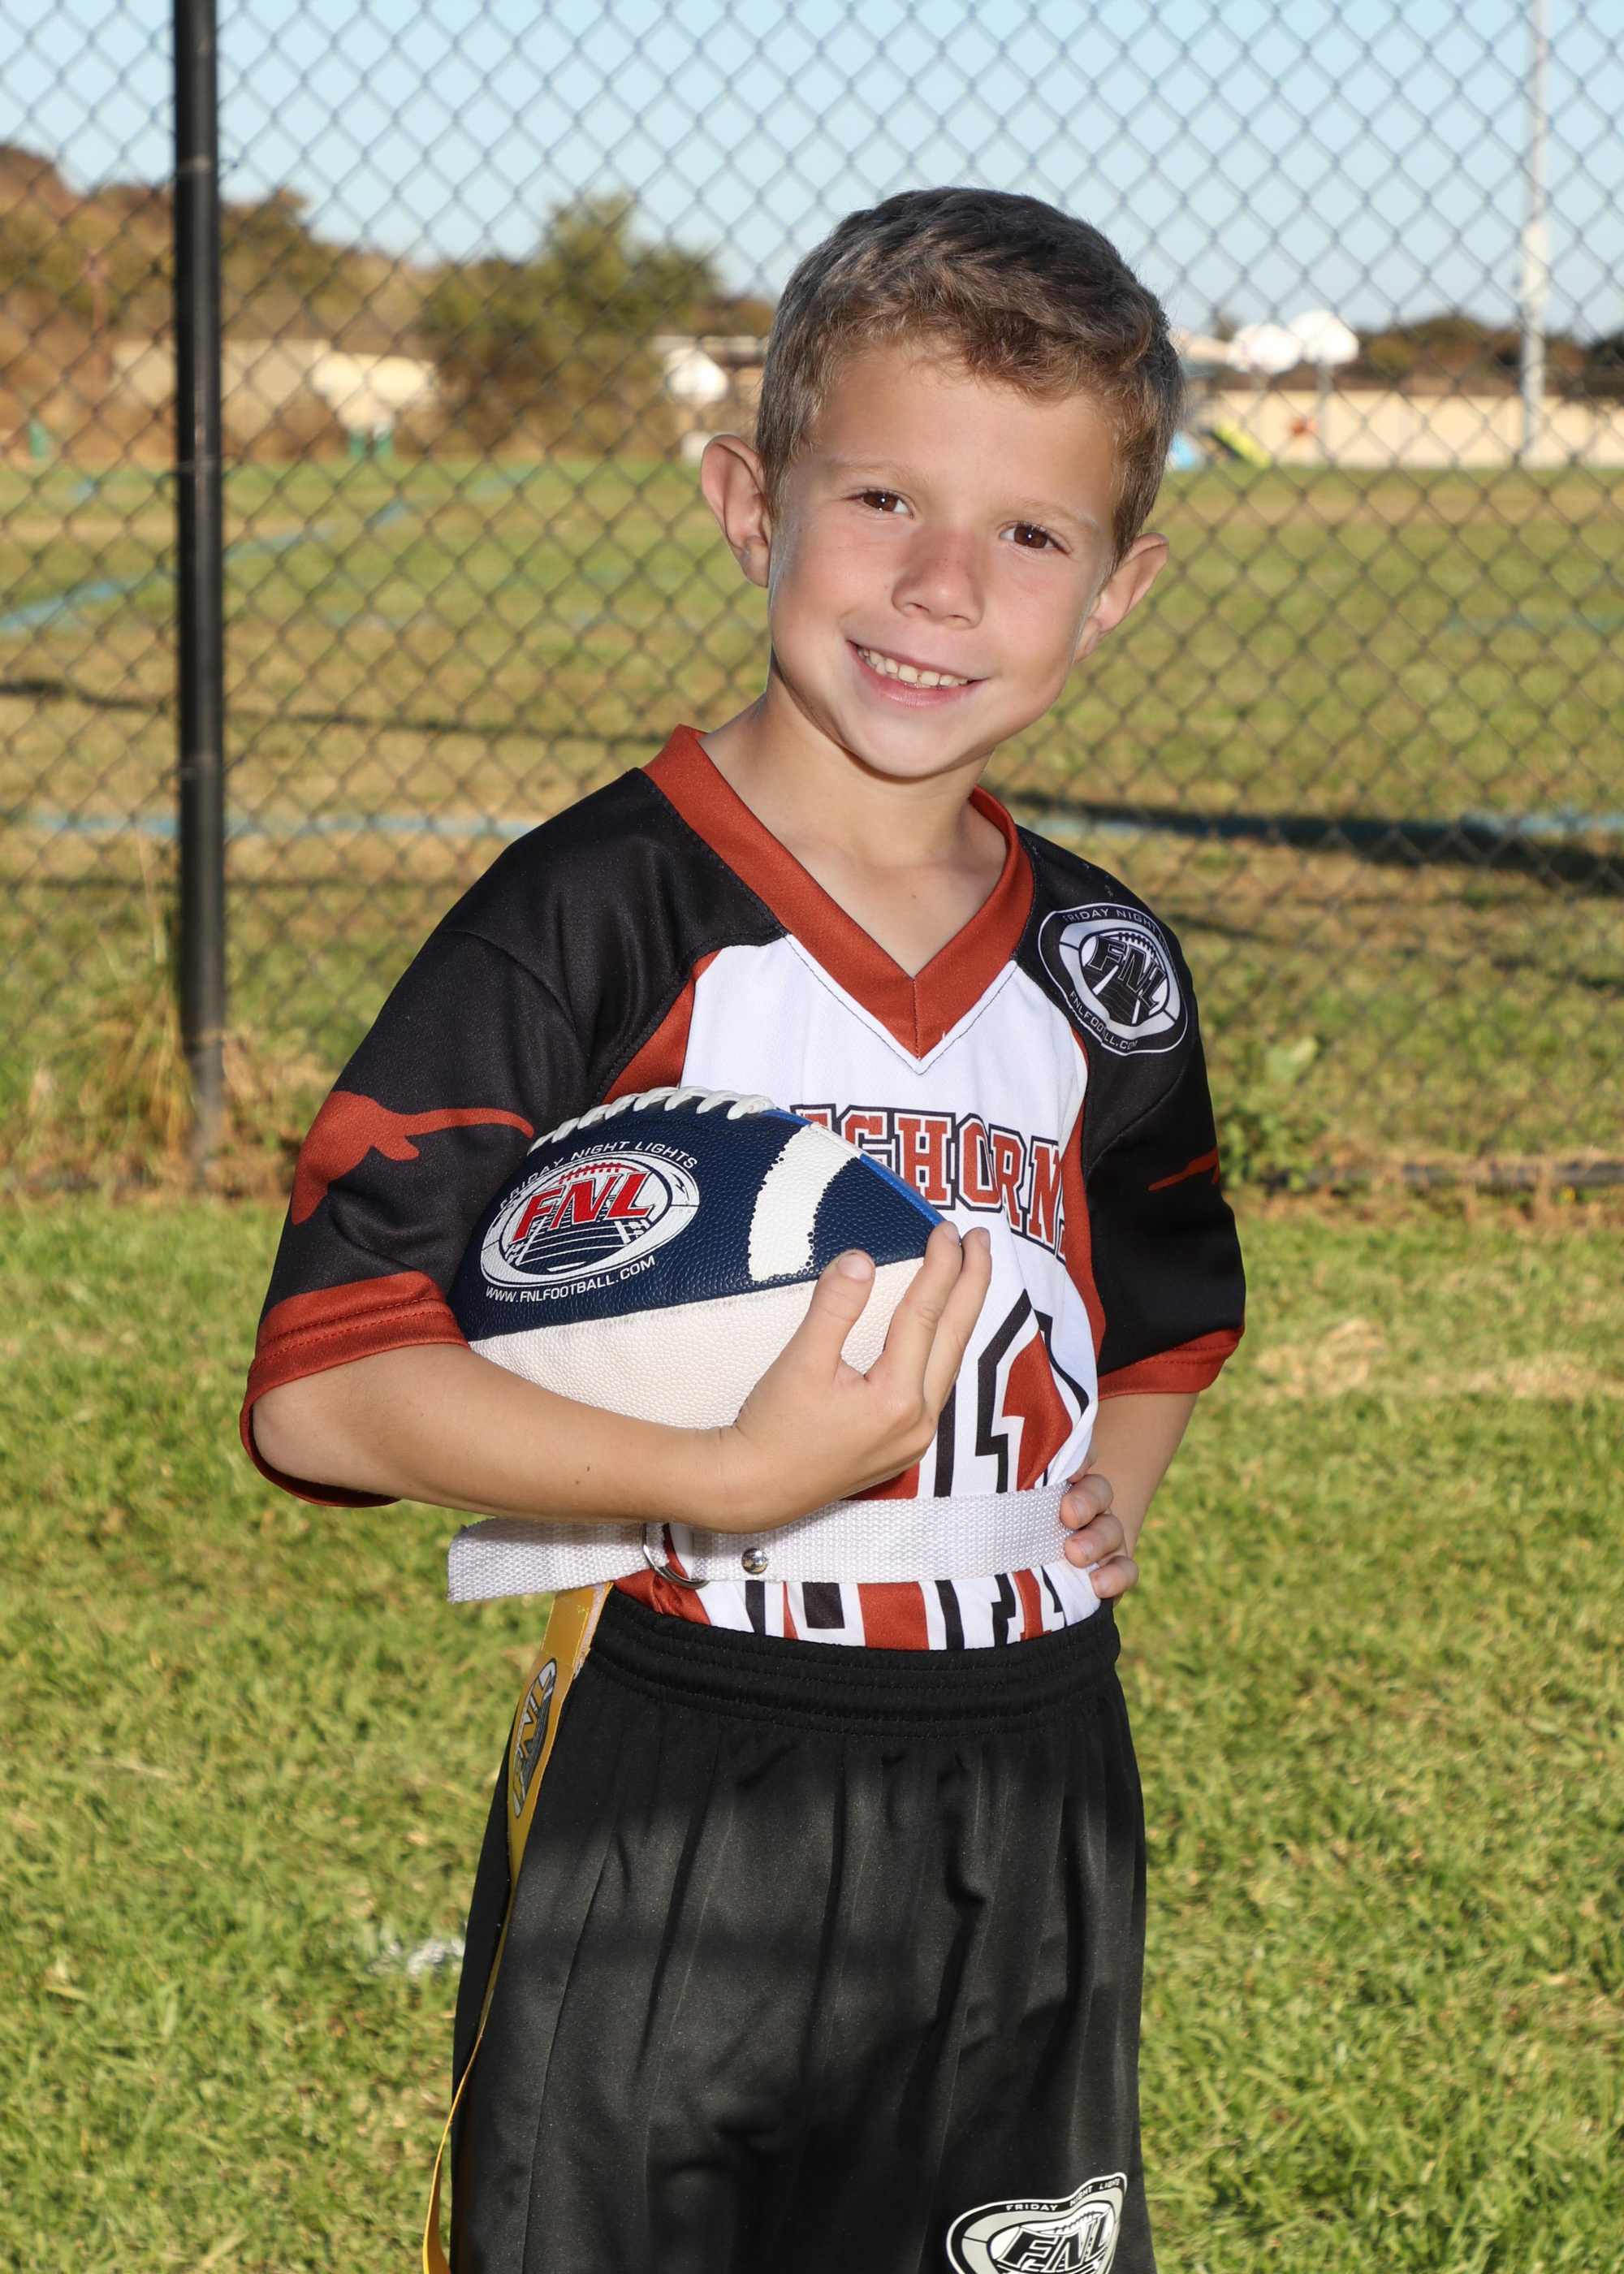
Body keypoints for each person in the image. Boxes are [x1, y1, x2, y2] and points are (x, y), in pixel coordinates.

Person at [243, 186, 1245, 2274]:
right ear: (746, 501)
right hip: (682, 1751)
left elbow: (1163, 1292)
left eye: (1030, 533)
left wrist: (1105, 1497)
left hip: (1030, 1771)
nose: (942, 583)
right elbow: (328, 1384)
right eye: (881, 497)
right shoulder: (588, 913)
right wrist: (720, 1474)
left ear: (1118, 589)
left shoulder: (1102, 964)